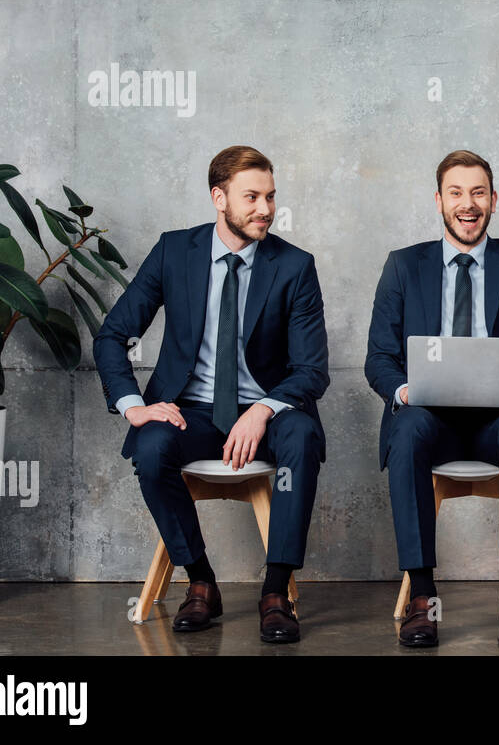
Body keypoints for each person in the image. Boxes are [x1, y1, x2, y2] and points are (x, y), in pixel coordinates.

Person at [94, 145, 329, 643]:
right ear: (219, 198)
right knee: (153, 447)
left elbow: (312, 370)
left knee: (301, 437)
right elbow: (113, 334)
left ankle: (274, 590)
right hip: (193, 410)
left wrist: (262, 410)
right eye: (252, 197)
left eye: (270, 197)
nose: (265, 209)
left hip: (267, 407)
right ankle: (200, 579)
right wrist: (133, 405)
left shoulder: (294, 266)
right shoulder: (175, 251)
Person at [365, 149, 499, 647]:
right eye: (456, 192)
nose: (468, 204)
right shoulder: (403, 266)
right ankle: (423, 595)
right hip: (431, 420)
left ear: (494, 200)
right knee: (408, 426)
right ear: (439, 201)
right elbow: (378, 359)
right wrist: (404, 389)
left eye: (478, 192)